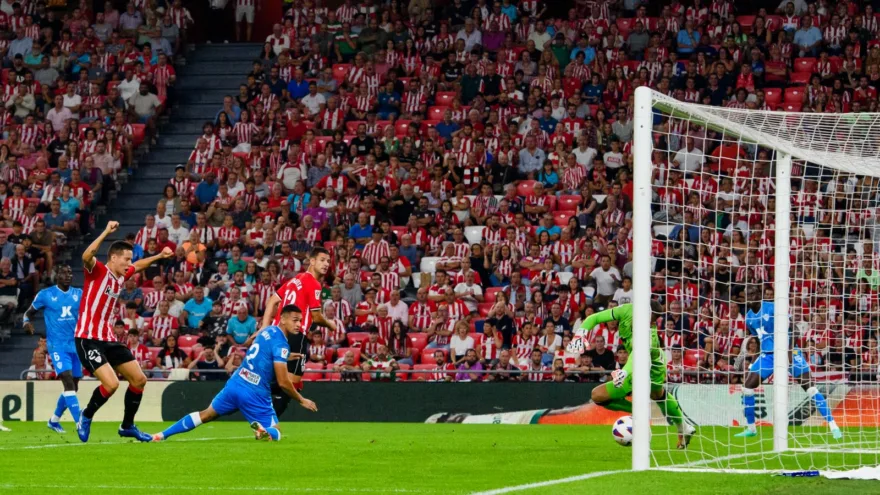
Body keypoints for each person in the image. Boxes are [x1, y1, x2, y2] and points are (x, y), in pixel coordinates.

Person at [152, 305, 317, 442]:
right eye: (295, 320)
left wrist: (285, 357)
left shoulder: (267, 331)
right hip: (255, 392)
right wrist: (301, 399)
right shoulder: (282, 343)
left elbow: (256, 348)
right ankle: (262, 431)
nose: (299, 325)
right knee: (276, 432)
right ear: (282, 318)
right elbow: (283, 382)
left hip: (236, 382)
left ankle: (161, 435)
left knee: (206, 414)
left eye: (300, 321)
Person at [74, 221, 174, 443]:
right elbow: (86, 256)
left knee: (138, 379)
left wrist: (159, 256)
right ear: (113, 258)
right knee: (111, 384)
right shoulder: (97, 270)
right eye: (126, 259)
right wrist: (106, 232)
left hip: (108, 338)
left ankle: (127, 426)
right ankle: (86, 415)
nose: (129, 263)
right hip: (88, 338)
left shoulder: (121, 276)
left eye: (130, 259)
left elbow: (138, 266)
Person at [570, 301, 696, 449]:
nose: (650, 323)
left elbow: (637, 355)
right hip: (633, 365)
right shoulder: (625, 310)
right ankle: (642, 415)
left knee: (657, 394)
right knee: (598, 395)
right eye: (650, 318)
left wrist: (624, 372)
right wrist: (581, 332)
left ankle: (682, 427)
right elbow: (595, 318)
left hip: (653, 366)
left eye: (654, 321)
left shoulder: (650, 336)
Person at [735, 287, 841, 439]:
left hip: (788, 351)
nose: (750, 297)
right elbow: (758, 341)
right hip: (768, 356)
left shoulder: (772, 308)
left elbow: (795, 330)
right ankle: (751, 429)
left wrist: (789, 352)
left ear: (759, 294)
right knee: (747, 387)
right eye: (747, 294)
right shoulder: (749, 318)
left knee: (810, 388)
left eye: (753, 293)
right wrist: (753, 363)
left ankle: (833, 425)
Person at [258, 247, 337, 416]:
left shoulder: (295, 280)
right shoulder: (314, 284)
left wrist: (264, 327)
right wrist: (330, 324)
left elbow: (272, 300)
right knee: (290, 386)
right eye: (322, 260)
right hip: (294, 335)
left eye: (328, 262)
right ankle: (264, 420)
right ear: (312, 261)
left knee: (284, 382)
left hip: (275, 334)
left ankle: (262, 412)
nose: (326, 264)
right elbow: (316, 317)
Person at [22, 265, 83, 434]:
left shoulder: (79, 294)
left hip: (75, 345)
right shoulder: (46, 294)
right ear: (57, 276)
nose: (68, 275)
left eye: (70, 272)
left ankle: (54, 420)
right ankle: (80, 422)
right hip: (57, 345)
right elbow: (28, 313)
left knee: (73, 386)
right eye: (64, 273)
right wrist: (26, 322)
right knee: (68, 380)